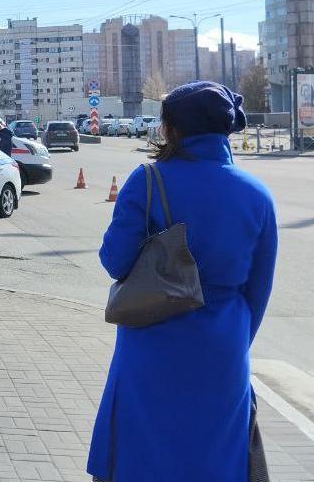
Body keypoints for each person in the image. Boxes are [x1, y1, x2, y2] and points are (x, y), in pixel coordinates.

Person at [88, 81, 277, 482]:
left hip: (151, 344)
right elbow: (257, 293)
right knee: (215, 458)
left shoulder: (148, 180)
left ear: (172, 128)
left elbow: (114, 261)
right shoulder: (258, 196)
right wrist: (233, 340)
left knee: (143, 456)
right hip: (222, 351)